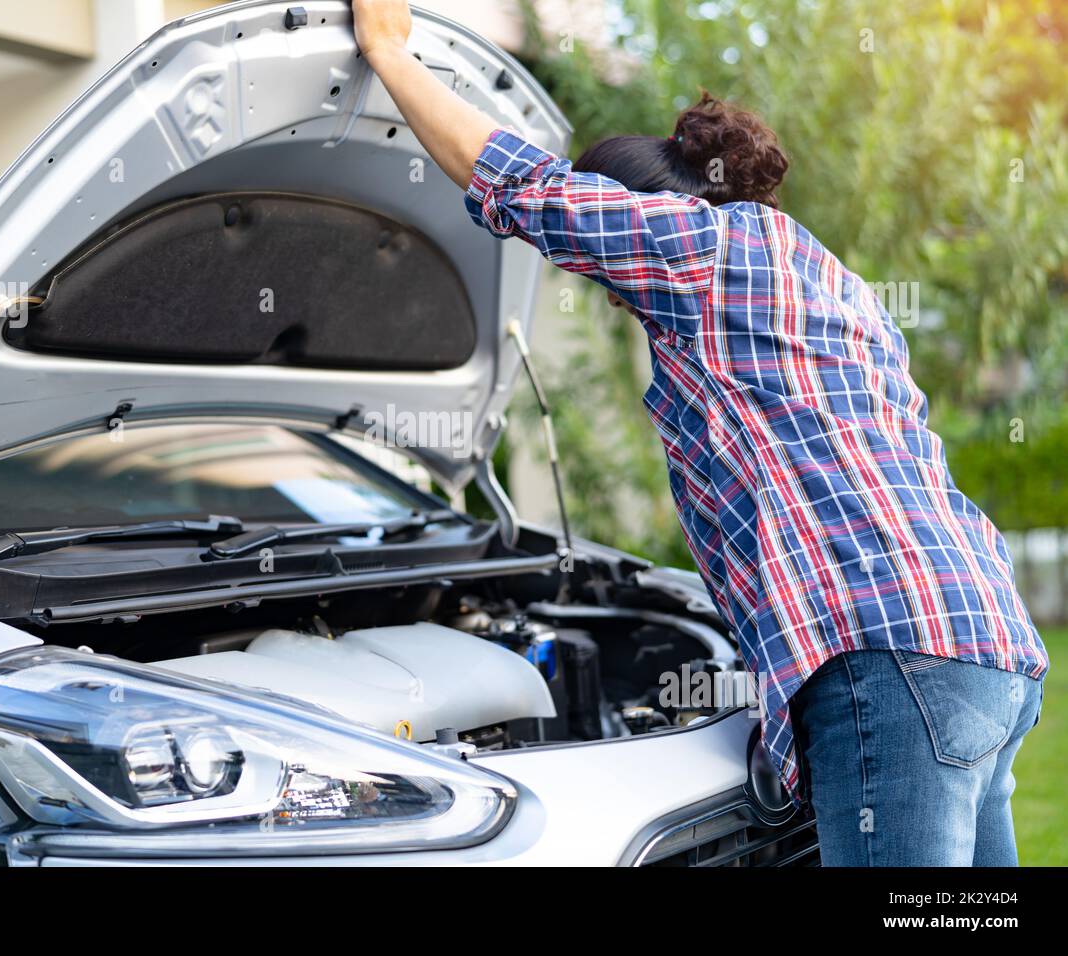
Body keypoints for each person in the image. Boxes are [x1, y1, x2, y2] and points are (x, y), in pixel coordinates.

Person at [350, 0, 1048, 866]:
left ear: (639, 214)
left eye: (607, 274)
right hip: (980, 640)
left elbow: (525, 188)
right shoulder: (827, 280)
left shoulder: (694, 249)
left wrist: (391, 56)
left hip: (889, 655)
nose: (609, 294)